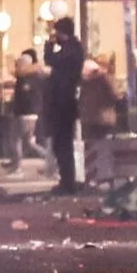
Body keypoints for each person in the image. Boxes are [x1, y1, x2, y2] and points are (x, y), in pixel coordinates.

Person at [42, 17, 85, 193]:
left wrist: (49, 46)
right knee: (61, 144)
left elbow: (52, 60)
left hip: (63, 102)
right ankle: (66, 180)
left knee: (63, 144)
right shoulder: (73, 49)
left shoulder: (72, 49)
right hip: (63, 102)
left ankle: (68, 182)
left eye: (57, 32)